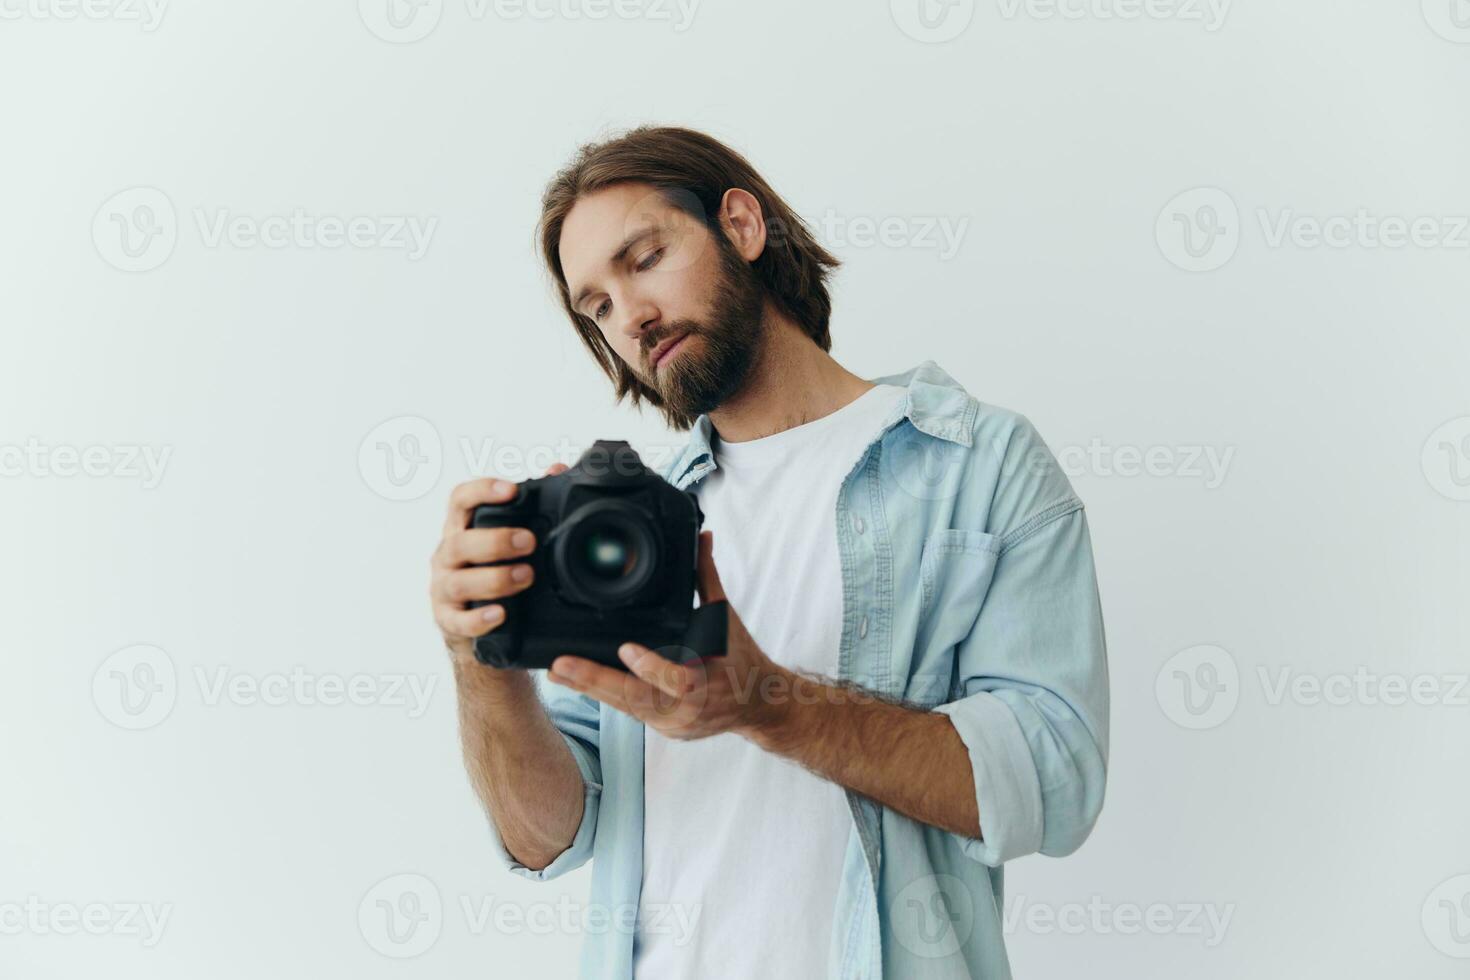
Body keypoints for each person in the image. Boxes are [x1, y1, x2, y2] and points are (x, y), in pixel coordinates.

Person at [428, 125, 1110, 980]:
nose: (630, 318)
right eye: (596, 306)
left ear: (741, 226)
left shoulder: (981, 465)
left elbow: (1056, 783)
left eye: (644, 258)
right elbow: (546, 837)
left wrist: (766, 704)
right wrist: (481, 655)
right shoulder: (619, 526)